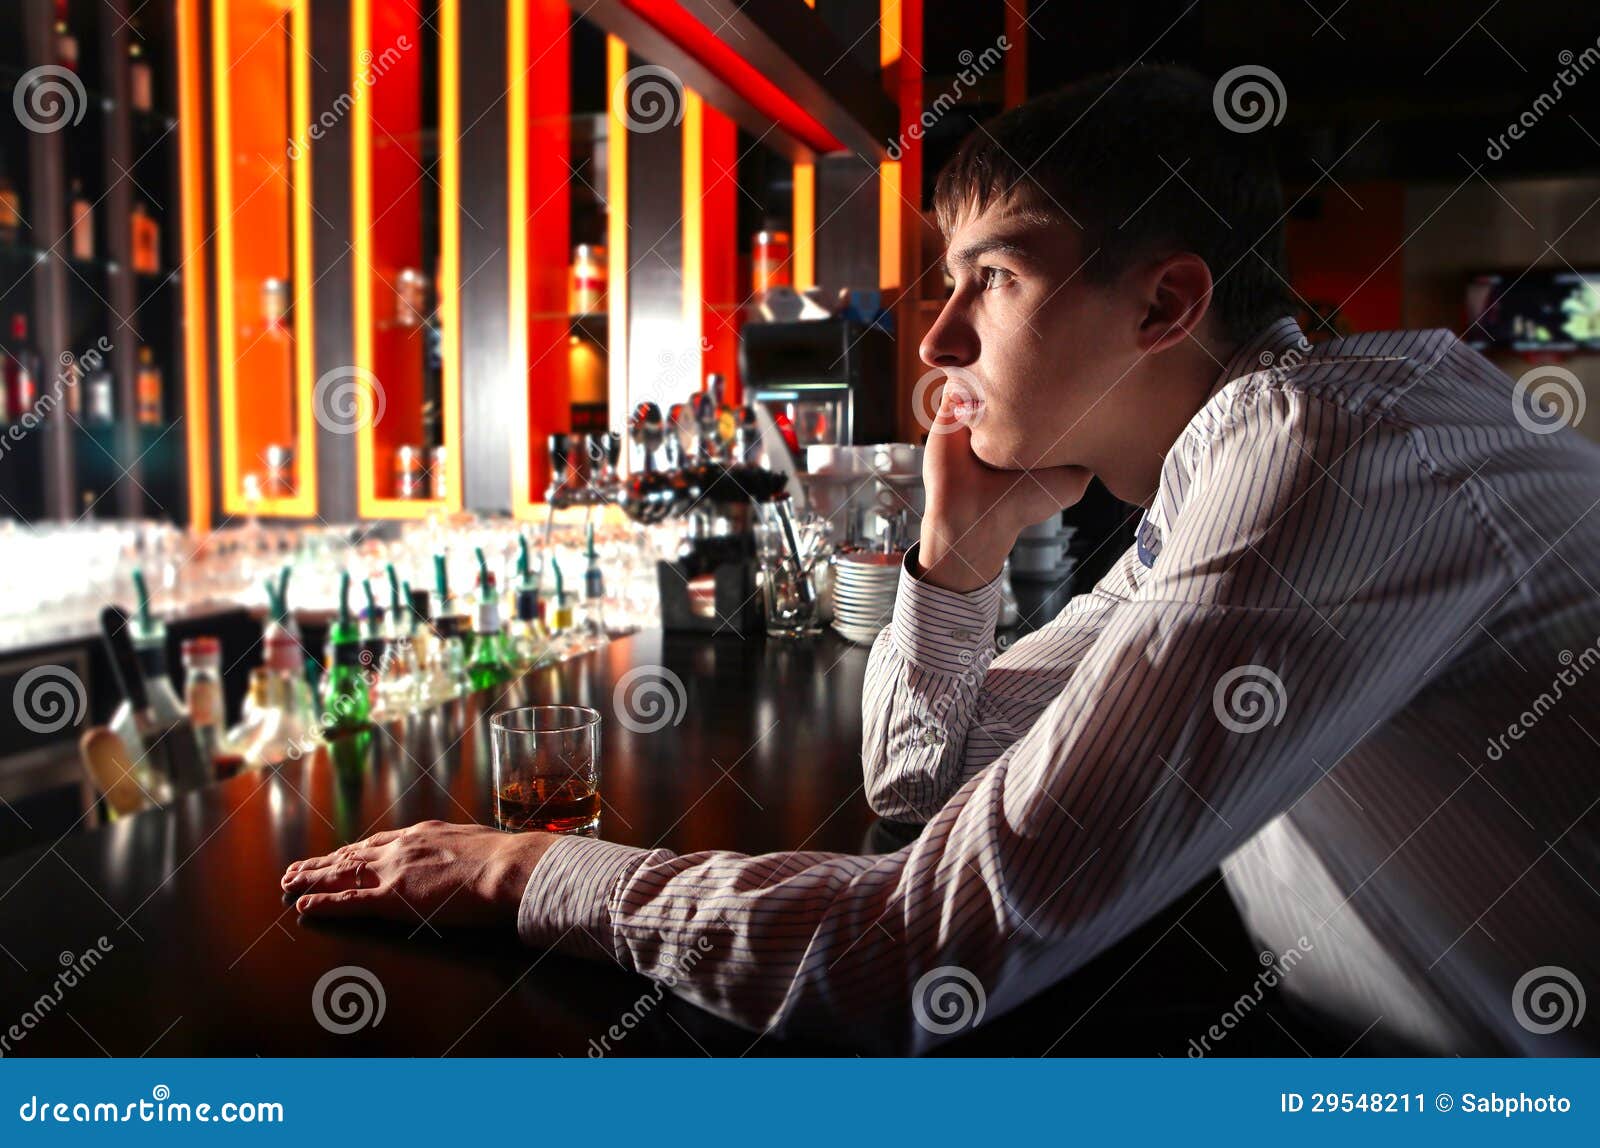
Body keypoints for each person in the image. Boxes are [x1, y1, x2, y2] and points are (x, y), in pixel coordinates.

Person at [281, 65, 1600, 1055]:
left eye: (995, 279)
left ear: (1164, 303)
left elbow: (917, 953)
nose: (938, 342)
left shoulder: (1323, 444)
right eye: (943, 281)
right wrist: (955, 556)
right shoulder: (1224, 478)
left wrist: (524, 873)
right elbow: (927, 774)